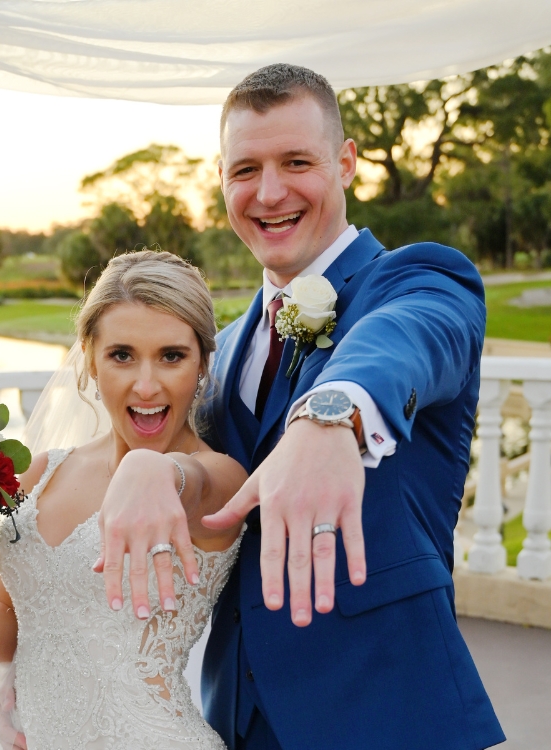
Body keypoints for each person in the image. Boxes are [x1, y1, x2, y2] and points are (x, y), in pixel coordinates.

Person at [95, 64, 506, 749]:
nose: (270, 192)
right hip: (237, 719)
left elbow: (399, 343)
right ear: (221, 179)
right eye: (245, 169)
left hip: (390, 716)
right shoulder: (217, 351)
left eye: (295, 162)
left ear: (345, 163)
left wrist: (329, 414)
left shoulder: (417, 281)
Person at [0, 250, 248, 749]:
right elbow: (15, 638)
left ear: (201, 365)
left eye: (172, 356)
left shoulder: (220, 478)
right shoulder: (45, 471)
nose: (146, 384)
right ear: (89, 359)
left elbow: (189, 482)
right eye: (122, 355)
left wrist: (155, 469)